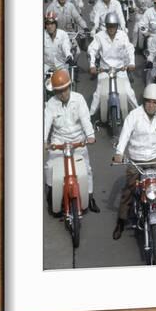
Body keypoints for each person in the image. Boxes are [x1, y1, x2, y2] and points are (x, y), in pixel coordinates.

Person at [112, 84, 156, 239]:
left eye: (155, 102)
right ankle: (121, 221)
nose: (151, 105)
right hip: (137, 159)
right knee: (129, 190)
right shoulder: (134, 115)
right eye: (148, 101)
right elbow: (124, 135)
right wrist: (119, 153)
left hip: (155, 158)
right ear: (143, 101)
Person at [44, 69, 100, 213]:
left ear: (70, 86)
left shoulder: (79, 99)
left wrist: (90, 135)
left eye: (65, 89)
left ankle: (90, 197)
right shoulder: (51, 103)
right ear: (55, 92)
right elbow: (46, 123)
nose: (63, 93)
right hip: (58, 142)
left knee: (87, 169)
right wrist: (44, 140)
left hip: (78, 141)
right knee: (50, 167)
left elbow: (85, 119)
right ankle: (51, 196)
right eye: (59, 91)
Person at [88, 12, 138, 120]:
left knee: (129, 93)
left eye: (114, 26)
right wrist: (92, 65)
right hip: (104, 70)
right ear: (105, 26)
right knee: (98, 94)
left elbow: (130, 48)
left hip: (120, 69)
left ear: (117, 26)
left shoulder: (122, 35)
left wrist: (131, 63)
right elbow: (92, 50)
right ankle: (90, 117)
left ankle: (139, 115)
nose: (111, 28)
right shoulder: (99, 36)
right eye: (109, 26)